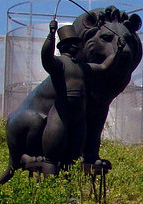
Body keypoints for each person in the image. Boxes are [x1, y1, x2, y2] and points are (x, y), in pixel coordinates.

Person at [40, 19, 124, 166]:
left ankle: (67, 186)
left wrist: (118, 51)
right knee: (52, 155)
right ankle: (51, 186)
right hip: (62, 113)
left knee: (73, 154)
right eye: (71, 43)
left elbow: (104, 67)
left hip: (78, 116)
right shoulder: (59, 63)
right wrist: (51, 35)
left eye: (76, 43)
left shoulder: (83, 67)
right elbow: (46, 57)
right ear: (63, 46)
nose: (76, 45)